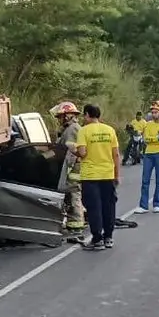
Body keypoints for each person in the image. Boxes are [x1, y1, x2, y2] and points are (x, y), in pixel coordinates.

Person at [75, 104, 120, 250]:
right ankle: (108, 238)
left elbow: (82, 153)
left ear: (88, 115)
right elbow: (116, 154)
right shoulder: (109, 130)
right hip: (107, 174)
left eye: (84, 115)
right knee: (109, 206)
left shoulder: (83, 131)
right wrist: (116, 175)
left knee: (94, 207)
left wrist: (73, 150)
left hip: (90, 176)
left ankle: (97, 239)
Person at [49, 101, 85, 235]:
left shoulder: (72, 129)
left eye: (60, 117)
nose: (59, 120)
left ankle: (76, 226)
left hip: (73, 169)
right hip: (72, 168)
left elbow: (70, 150)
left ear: (67, 116)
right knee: (72, 196)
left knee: (73, 195)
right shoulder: (69, 129)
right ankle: (74, 223)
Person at [136, 101, 159, 214]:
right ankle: (143, 206)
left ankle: (157, 204)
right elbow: (146, 139)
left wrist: (154, 139)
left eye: (156, 112)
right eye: (153, 112)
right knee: (145, 180)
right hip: (149, 154)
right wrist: (156, 138)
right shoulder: (148, 124)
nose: (153, 114)